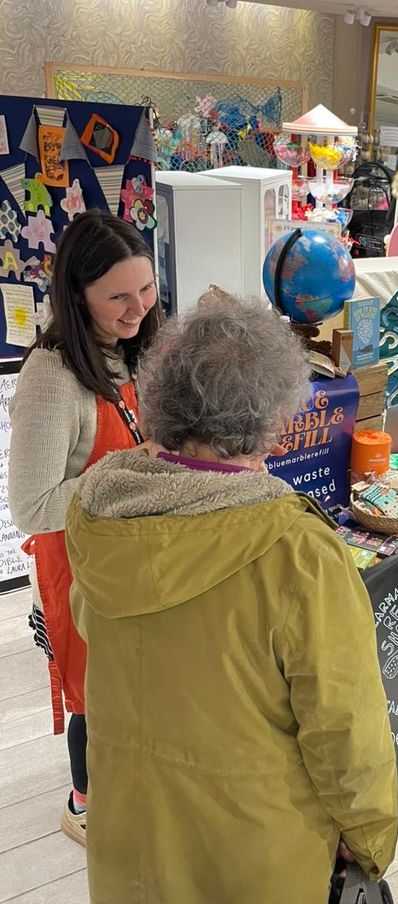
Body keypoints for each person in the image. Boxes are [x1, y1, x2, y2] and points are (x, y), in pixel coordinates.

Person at [65, 298, 398, 904]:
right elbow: (346, 727)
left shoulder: (99, 510)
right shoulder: (296, 549)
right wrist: (371, 837)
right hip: (252, 850)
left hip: (129, 837)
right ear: (273, 417)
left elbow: (92, 623)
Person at [9, 210, 161, 847]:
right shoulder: (51, 375)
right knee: (94, 695)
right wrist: (133, 469)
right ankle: (84, 803)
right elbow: (32, 505)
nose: (138, 309)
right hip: (81, 569)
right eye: (118, 297)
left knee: (133, 683)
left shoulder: (128, 347)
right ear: (77, 295)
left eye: (147, 289)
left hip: (128, 553)